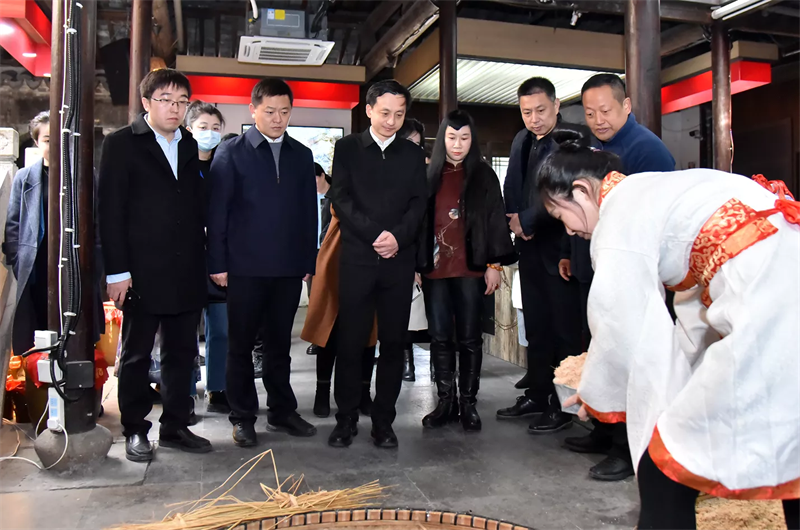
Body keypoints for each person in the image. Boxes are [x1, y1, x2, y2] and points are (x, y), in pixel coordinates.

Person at [538, 127, 799, 530]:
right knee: (792, 455)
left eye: (561, 215)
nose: (570, 230)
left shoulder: (619, 217)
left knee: (664, 466)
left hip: (773, 312)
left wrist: (596, 391)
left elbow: (621, 326)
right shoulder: (653, 191)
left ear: (582, 191)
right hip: (781, 290)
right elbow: (694, 309)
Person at [562, 73, 677, 482]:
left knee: (628, 354)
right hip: (593, 264)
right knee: (598, 346)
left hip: (632, 272)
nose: (598, 120)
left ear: (626, 106)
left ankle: (627, 448)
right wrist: (570, 252)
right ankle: (602, 427)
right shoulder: (591, 148)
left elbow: (652, 220)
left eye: (606, 111)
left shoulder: (647, 150)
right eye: (590, 113)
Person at [98, 69, 212, 462]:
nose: (175, 109)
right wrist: (117, 272)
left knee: (182, 353)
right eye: (166, 100)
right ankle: (135, 429)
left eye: (182, 102)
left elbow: (195, 205)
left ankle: (176, 426)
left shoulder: (189, 144)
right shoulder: (121, 144)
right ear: (146, 102)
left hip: (186, 268)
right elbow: (110, 212)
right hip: (141, 270)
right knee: (137, 354)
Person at [206, 78, 318, 447]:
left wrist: (308, 260)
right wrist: (217, 262)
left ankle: (282, 412)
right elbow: (217, 213)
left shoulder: (301, 155)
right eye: (270, 111)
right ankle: (242, 416)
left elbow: (309, 213)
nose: (277, 119)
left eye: (284, 112)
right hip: (244, 268)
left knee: (279, 346)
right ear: (253, 110)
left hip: (287, 268)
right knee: (240, 346)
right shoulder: (231, 152)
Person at [326, 79, 427, 448]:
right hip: (358, 259)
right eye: (385, 113)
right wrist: (375, 235)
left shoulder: (412, 154)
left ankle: (384, 422)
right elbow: (341, 199)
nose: (391, 121)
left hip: (398, 261)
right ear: (368, 110)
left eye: (399, 114)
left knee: (394, 342)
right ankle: (346, 419)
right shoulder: (348, 148)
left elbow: (419, 203)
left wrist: (397, 237)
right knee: (351, 342)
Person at [417, 110, 515, 431]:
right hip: (435, 270)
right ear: (442, 139)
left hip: (471, 268)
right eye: (451, 137)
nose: (457, 144)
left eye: (464, 138)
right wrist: (417, 263)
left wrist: (494, 264)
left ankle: (468, 403)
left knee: (470, 338)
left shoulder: (483, 174)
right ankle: (445, 401)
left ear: (472, 140)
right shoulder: (429, 174)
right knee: (440, 337)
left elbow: (496, 219)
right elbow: (417, 223)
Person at [496, 77, 582, 436]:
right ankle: (537, 394)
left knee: (565, 331)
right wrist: (514, 221)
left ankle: (564, 406)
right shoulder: (521, 139)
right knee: (536, 328)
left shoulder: (570, 141)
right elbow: (512, 185)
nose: (534, 118)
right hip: (528, 248)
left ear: (557, 106)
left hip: (559, 249)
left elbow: (565, 194)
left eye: (541, 110)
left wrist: (528, 221)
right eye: (527, 112)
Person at [184, 100, 229, 414]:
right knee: (186, 331)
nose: (210, 133)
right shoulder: (178, 165)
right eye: (203, 127)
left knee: (222, 329)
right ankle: (185, 391)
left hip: (219, 260)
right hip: (185, 259)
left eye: (215, 128)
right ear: (189, 129)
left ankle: (218, 388)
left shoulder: (224, 167)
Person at [4, 112, 52, 359]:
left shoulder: (84, 175)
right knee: (36, 331)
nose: (54, 145)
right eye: (47, 140)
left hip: (71, 264)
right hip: (35, 265)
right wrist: (18, 260)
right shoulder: (24, 178)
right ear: (36, 142)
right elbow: (13, 224)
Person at [398, 117, 429, 382]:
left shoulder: (429, 173)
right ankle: (406, 363)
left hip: (432, 251)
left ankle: (439, 368)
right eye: (409, 142)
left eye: (417, 144)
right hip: (403, 252)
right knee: (403, 314)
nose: (414, 149)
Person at [305, 162, 334, 357]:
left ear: (322, 175)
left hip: (330, 251)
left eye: (314, 178)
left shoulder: (335, 196)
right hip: (312, 251)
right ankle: (318, 338)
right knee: (314, 296)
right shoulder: (304, 197)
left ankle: (332, 336)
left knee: (332, 295)